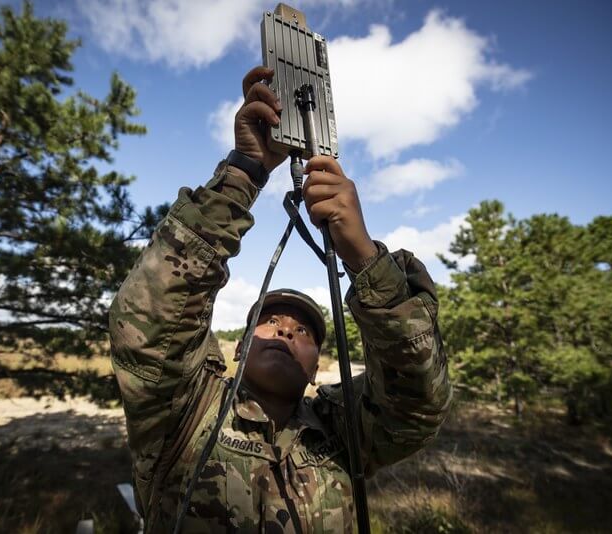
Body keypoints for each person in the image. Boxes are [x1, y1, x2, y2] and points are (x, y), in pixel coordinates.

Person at [109, 66, 452, 533]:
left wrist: (365, 259)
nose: (287, 329)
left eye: (304, 331)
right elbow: (148, 325)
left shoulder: (342, 431)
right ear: (239, 347)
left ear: (316, 369)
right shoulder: (185, 412)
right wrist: (244, 172)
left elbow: (419, 400)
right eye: (270, 322)